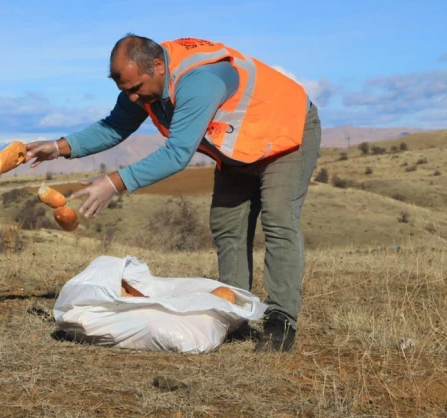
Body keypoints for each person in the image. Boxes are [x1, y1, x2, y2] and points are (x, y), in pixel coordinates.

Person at [24, 34, 321, 353]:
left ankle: (281, 320)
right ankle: (234, 315)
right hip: (240, 147)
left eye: (136, 89)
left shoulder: (199, 81)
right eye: (126, 91)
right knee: (226, 224)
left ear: (157, 66)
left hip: (286, 133)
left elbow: (179, 152)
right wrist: (58, 147)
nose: (134, 99)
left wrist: (113, 183)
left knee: (278, 219)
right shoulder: (143, 83)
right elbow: (114, 126)